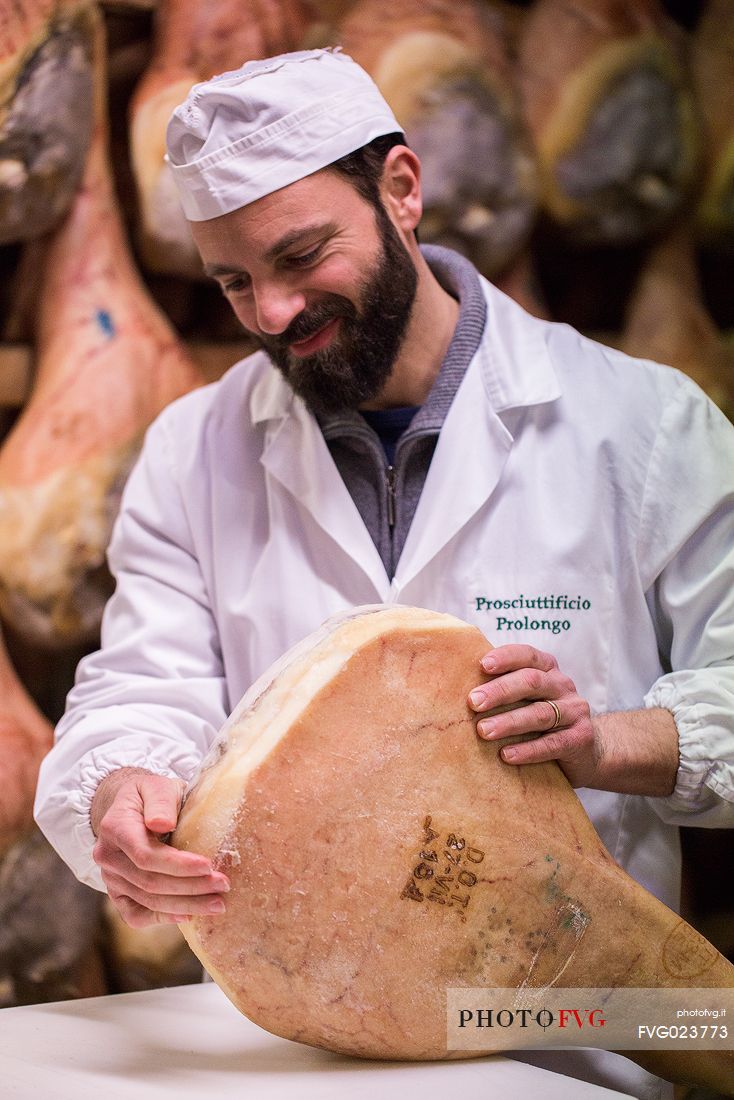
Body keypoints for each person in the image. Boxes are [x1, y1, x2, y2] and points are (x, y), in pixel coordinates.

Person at [36, 48, 733, 1097]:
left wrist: (604, 740)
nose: (272, 312)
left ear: (401, 190)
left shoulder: (637, 426)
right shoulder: (191, 448)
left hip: (578, 1018)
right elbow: (143, 685)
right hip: (302, 1040)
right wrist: (124, 791)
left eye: (300, 255)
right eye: (234, 282)